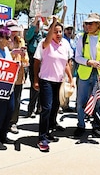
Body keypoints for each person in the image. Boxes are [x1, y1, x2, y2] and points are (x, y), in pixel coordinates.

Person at [33, 16, 74, 152]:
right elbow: (37, 62)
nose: (58, 34)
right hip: (46, 80)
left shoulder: (65, 45)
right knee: (47, 108)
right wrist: (36, 80)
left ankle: (49, 130)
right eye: (55, 31)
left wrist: (70, 78)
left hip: (59, 81)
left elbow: (66, 63)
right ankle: (42, 137)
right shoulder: (45, 44)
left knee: (55, 107)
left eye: (60, 31)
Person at [74, 13, 100, 138]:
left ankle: (97, 126)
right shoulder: (82, 37)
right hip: (84, 73)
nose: (88, 26)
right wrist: (89, 62)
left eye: (91, 23)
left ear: (98, 25)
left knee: (98, 101)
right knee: (81, 101)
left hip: (99, 74)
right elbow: (77, 57)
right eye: (87, 23)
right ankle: (81, 125)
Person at [6, 19, 29, 134]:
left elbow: (25, 59)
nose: (14, 33)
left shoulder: (21, 41)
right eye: (12, 30)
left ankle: (13, 122)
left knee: (17, 99)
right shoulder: (3, 40)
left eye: (15, 31)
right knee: (5, 100)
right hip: (6, 75)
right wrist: (12, 53)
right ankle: (4, 122)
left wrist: (24, 56)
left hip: (18, 75)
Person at [25, 15, 46, 118]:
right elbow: (27, 37)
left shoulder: (43, 34)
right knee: (34, 85)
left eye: (38, 23)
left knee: (43, 85)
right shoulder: (30, 34)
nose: (37, 25)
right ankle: (31, 109)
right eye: (35, 24)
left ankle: (39, 107)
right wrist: (34, 23)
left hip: (43, 62)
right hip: (33, 61)